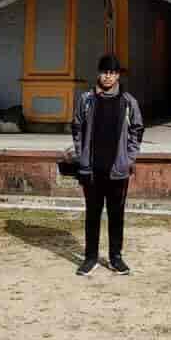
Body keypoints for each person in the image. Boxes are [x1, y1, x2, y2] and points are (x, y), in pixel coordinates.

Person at [70, 53, 144, 276]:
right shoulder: (86, 100)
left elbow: (137, 129)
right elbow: (76, 127)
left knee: (116, 215)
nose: (108, 77)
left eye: (112, 73)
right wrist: (81, 154)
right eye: (104, 72)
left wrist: (129, 158)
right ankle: (90, 258)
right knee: (92, 214)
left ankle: (115, 258)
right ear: (98, 74)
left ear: (118, 75)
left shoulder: (128, 102)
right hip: (91, 169)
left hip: (117, 169)